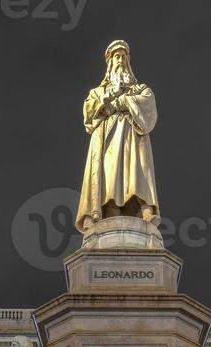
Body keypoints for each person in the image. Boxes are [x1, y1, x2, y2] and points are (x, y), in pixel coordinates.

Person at [77, 40, 160, 234]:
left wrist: (122, 100)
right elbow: (89, 116)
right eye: (116, 56)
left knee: (137, 171)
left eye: (123, 56)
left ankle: (144, 207)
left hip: (133, 136)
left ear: (128, 60)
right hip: (108, 138)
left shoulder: (140, 90)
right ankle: (110, 208)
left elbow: (148, 108)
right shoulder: (98, 92)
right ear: (110, 62)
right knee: (110, 173)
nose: (120, 59)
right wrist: (106, 101)